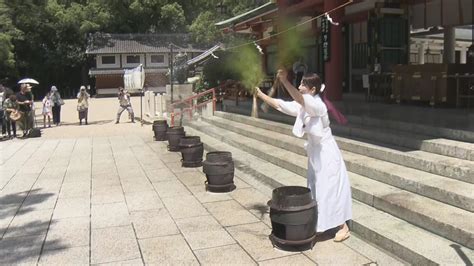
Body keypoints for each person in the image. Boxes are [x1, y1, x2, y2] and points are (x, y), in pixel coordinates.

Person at [255, 69, 352, 242]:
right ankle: (321, 224)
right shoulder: (302, 107)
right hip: (315, 154)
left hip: (327, 153)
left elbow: (300, 99)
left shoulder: (317, 105)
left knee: (330, 189)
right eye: (298, 84)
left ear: (313, 90)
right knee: (315, 189)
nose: (299, 87)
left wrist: (284, 81)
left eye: (302, 85)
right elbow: (279, 104)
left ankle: (342, 226)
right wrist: (260, 94)